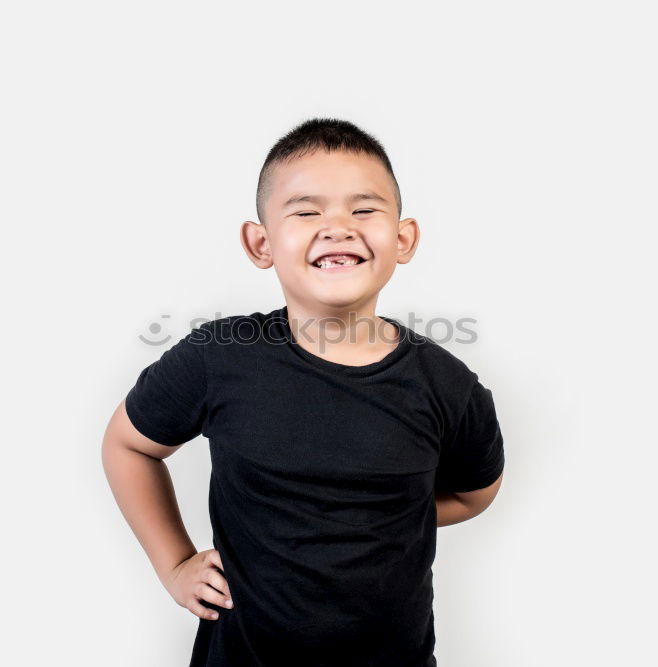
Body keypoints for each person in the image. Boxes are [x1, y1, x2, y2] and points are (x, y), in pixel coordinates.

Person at [101, 117, 505, 666]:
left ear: (404, 238)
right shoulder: (217, 358)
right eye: (307, 210)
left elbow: (475, 492)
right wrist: (173, 565)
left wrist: (384, 515)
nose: (337, 227)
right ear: (261, 242)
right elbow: (129, 446)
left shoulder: (448, 387)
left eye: (363, 209)